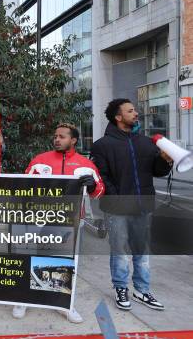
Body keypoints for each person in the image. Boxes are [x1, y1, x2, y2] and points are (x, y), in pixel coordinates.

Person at [11, 123, 105, 323]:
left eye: (62, 136)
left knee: (62, 263)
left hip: (69, 220)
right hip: (36, 219)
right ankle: (22, 299)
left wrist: (93, 185)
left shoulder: (85, 164)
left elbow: (99, 193)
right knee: (28, 257)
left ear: (73, 140)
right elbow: (23, 187)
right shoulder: (40, 160)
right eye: (55, 136)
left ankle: (62, 304)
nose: (57, 139)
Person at [91, 99, 172, 312]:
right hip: (117, 208)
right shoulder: (102, 145)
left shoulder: (145, 142)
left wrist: (165, 160)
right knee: (119, 251)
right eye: (130, 110)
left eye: (135, 110)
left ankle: (141, 290)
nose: (136, 113)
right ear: (118, 117)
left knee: (142, 251)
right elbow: (102, 177)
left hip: (143, 207)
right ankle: (120, 288)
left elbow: (158, 171)